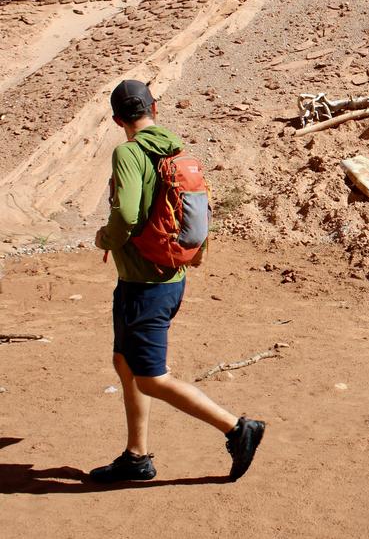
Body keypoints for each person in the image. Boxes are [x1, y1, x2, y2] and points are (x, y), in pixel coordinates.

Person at [90, 79, 264, 483]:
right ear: (155, 109)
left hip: (145, 285)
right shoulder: (176, 149)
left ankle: (238, 429)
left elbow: (129, 214)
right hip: (160, 277)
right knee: (125, 363)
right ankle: (136, 457)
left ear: (117, 119)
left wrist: (106, 237)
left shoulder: (129, 153)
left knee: (151, 377)